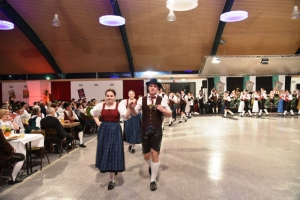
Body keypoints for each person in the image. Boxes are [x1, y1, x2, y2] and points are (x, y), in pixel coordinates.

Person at [130, 78, 172, 191]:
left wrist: (162, 109)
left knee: (154, 153)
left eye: (154, 86)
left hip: (157, 130)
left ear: (158, 88)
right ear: (148, 88)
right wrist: (132, 108)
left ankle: (153, 179)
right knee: (146, 155)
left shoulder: (162, 99)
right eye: (150, 86)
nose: (152, 87)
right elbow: (135, 114)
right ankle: (151, 166)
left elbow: (170, 113)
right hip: (144, 130)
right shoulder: (141, 99)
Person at [90, 89, 131, 190]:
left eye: (111, 95)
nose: (109, 97)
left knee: (113, 152)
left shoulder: (119, 105)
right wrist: (98, 122)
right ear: (105, 96)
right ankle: (110, 174)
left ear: (115, 97)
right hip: (104, 130)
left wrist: (129, 109)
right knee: (105, 151)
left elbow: (125, 117)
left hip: (115, 130)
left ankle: (112, 179)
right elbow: (93, 113)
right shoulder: (101, 105)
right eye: (107, 95)